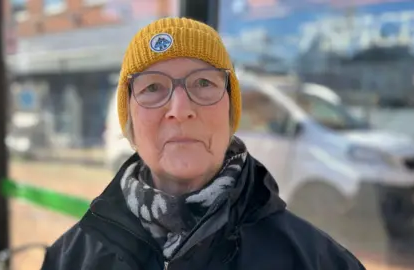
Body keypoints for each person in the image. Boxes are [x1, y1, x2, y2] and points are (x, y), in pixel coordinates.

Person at [41, 17, 365, 270]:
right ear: (130, 122)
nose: (180, 111)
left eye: (204, 83)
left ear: (230, 111)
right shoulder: (69, 259)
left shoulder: (317, 262)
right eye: (153, 87)